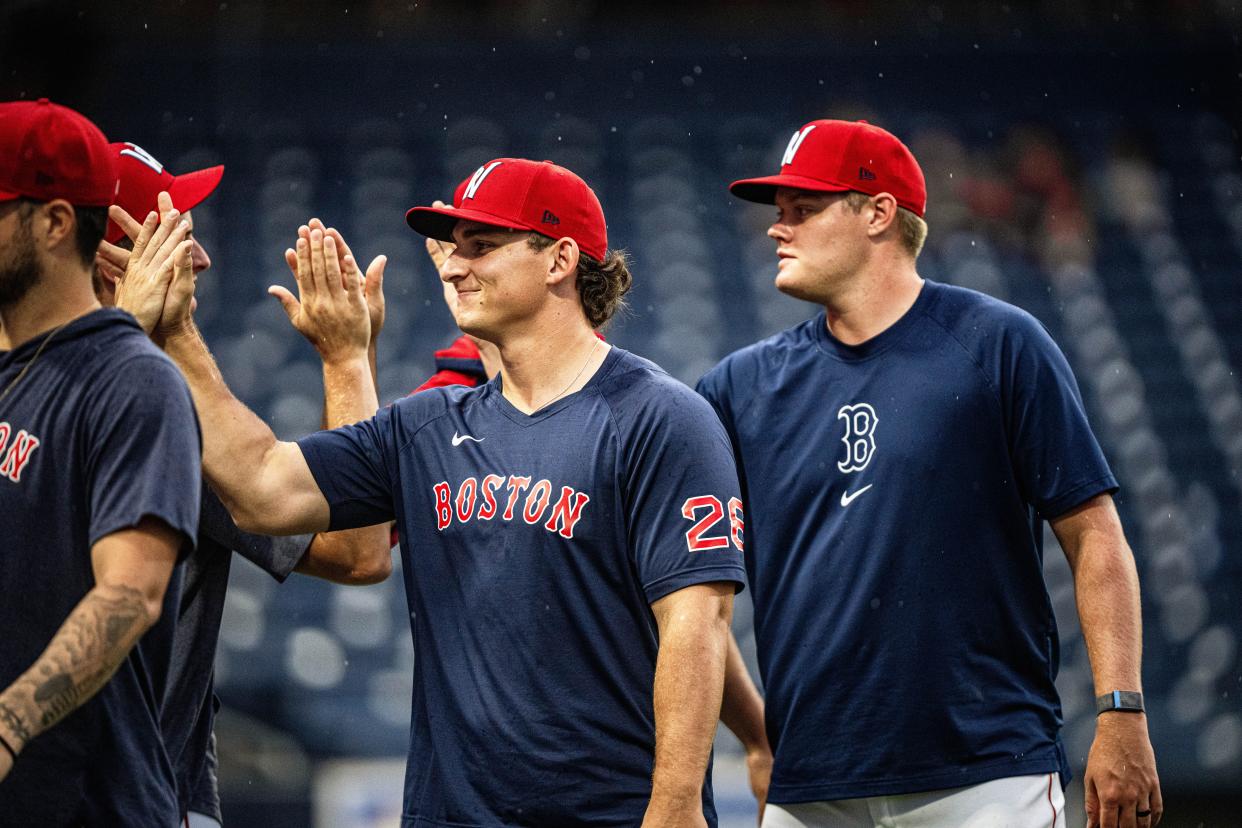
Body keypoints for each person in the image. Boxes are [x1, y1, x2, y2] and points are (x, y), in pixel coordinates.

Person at [145, 156, 746, 826]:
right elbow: (264, 489)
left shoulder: (660, 417)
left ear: (561, 259)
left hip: (608, 813)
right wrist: (177, 334)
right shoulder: (424, 425)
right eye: (454, 249)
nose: (454, 267)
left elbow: (697, 626)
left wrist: (674, 808)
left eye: (483, 248)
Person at [699, 119, 1161, 828]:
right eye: (778, 212)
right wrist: (756, 733)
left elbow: (1095, 537)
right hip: (811, 784)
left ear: (879, 213)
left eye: (804, 208)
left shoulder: (998, 343)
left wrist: (1121, 711)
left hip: (984, 774)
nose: (776, 229)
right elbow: (687, 588)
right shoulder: (738, 387)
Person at [101, 142, 393, 827]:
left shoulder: (156, 398)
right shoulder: (157, 403)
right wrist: (347, 361)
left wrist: (352, 360)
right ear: (110, 259)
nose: (201, 260)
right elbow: (358, 552)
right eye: (176, 240)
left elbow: (357, 549)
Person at [0, 99, 202, 826]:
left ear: (55, 223)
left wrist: (9, 725)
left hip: (89, 803)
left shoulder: (133, 379)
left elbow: (129, 597)